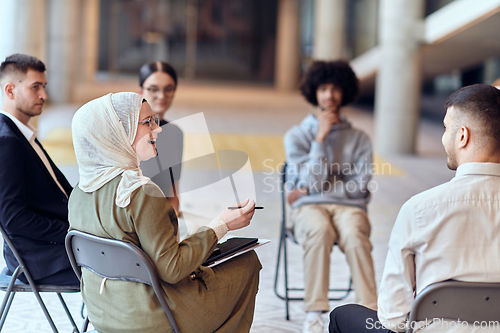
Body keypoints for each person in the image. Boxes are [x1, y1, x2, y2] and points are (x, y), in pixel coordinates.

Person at [68, 92, 262, 333]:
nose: (157, 129)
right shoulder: (141, 194)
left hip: (101, 312)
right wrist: (221, 225)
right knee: (247, 262)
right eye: (147, 122)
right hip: (153, 316)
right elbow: (172, 269)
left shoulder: (78, 193)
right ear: (118, 131)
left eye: (155, 120)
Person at [329, 84, 500, 333]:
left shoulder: (420, 209)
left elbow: (394, 319)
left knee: (341, 316)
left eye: (446, 128)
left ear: (463, 136)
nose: (444, 137)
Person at [283, 60, 377, 333]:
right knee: (318, 229)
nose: (329, 95)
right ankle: (314, 313)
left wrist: (309, 189)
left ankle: (370, 312)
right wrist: (320, 139)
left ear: (344, 92)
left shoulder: (359, 138)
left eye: (335, 88)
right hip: (309, 210)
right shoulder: (297, 136)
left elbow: (360, 187)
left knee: (354, 232)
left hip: (349, 208)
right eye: (323, 88)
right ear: (314, 91)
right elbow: (312, 181)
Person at [0, 54, 78, 285]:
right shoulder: (7, 141)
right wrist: (71, 232)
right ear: (10, 91)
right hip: (38, 259)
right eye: (35, 87)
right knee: (125, 268)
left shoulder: (23, 135)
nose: (43, 95)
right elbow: (13, 218)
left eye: (43, 87)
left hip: (53, 248)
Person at [138, 61, 183, 217]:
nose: (162, 96)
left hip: (161, 216)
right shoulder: (131, 131)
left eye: (168, 89)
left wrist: (174, 216)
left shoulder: (175, 133)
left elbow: (172, 189)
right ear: (140, 91)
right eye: (153, 89)